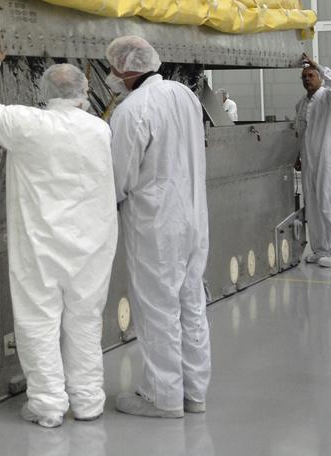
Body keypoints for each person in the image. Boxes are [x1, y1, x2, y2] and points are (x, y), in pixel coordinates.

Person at [0, 42, 117, 428]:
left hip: (41, 246)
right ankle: (87, 402)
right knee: (84, 322)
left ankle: (49, 405)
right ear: (84, 91)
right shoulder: (100, 129)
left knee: (38, 321)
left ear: (43, 92)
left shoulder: (28, 125)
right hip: (92, 245)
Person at [106, 35, 210, 419]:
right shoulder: (184, 95)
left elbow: (119, 177)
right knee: (191, 304)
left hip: (155, 224)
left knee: (158, 308)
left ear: (127, 68)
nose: (111, 75)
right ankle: (194, 394)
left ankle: (162, 397)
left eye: (113, 67)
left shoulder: (132, 111)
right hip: (192, 216)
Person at [295, 52, 331, 268]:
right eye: (304, 77)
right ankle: (321, 249)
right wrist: (298, 156)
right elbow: (300, 133)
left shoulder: (329, 98)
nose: (307, 79)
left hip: (328, 161)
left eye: (311, 75)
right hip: (309, 162)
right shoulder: (301, 104)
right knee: (314, 206)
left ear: (319, 77)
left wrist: (319, 66)